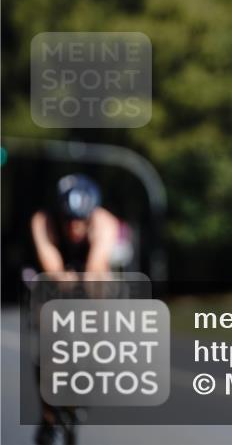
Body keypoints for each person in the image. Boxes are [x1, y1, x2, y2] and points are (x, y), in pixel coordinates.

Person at [29, 173, 119, 445]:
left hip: (89, 277)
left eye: (81, 220)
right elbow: (53, 268)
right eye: (69, 220)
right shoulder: (42, 220)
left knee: (101, 289)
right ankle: (48, 416)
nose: (75, 227)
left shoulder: (105, 222)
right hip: (56, 281)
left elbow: (95, 267)